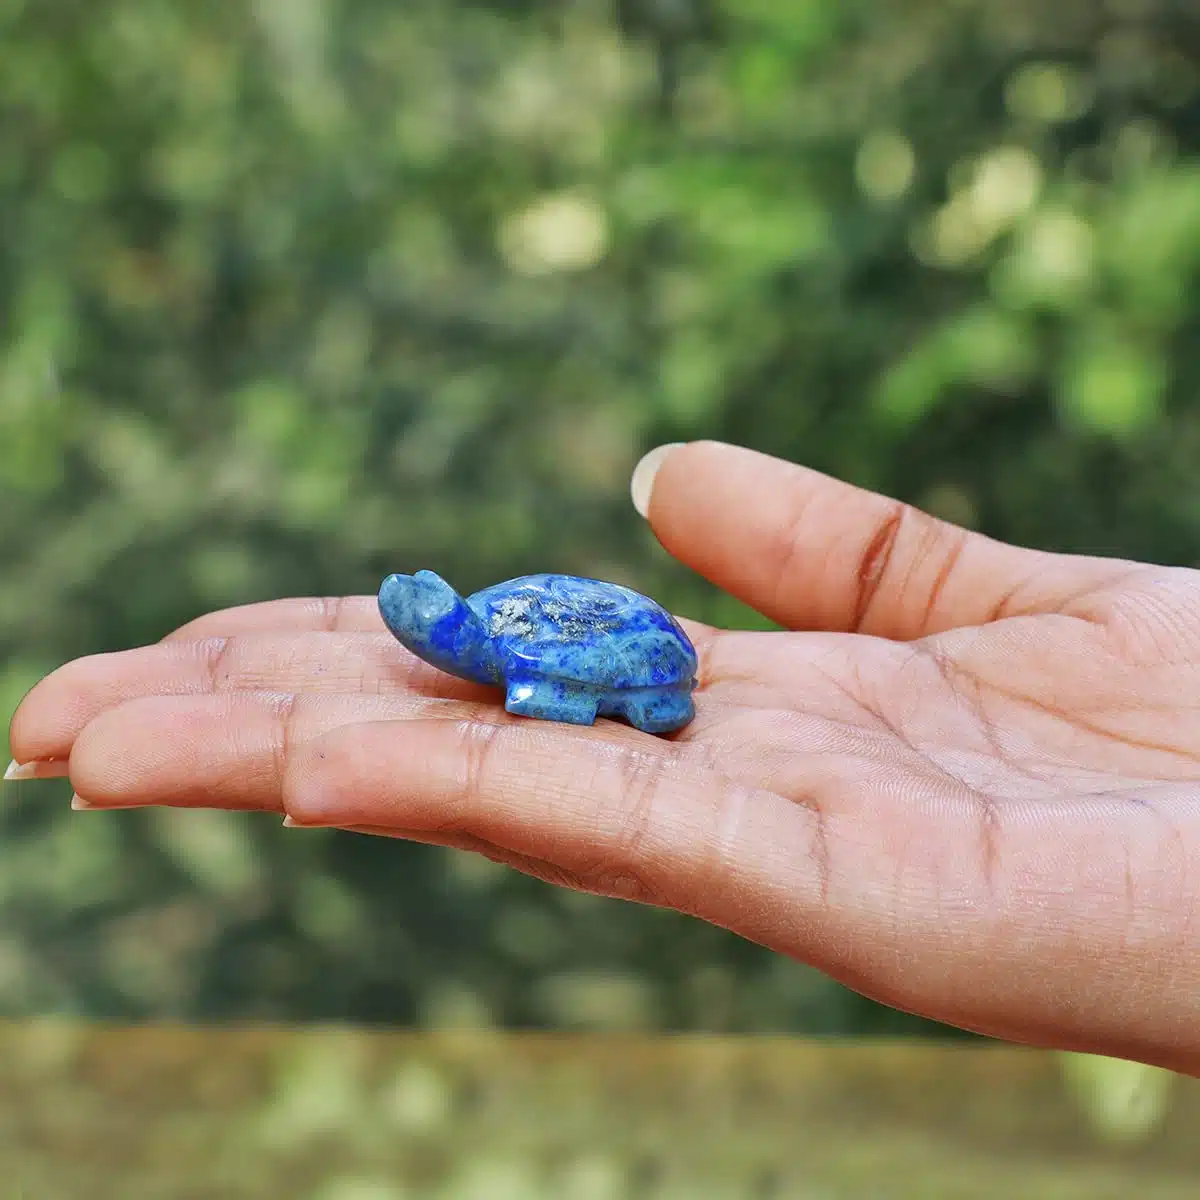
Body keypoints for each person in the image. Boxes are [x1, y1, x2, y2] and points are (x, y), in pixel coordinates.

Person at [6, 441, 1199, 1075]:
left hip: (639, 665)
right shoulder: (484, 629)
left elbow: (562, 669)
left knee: (608, 696)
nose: (424, 639)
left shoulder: (517, 650)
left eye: (430, 629)